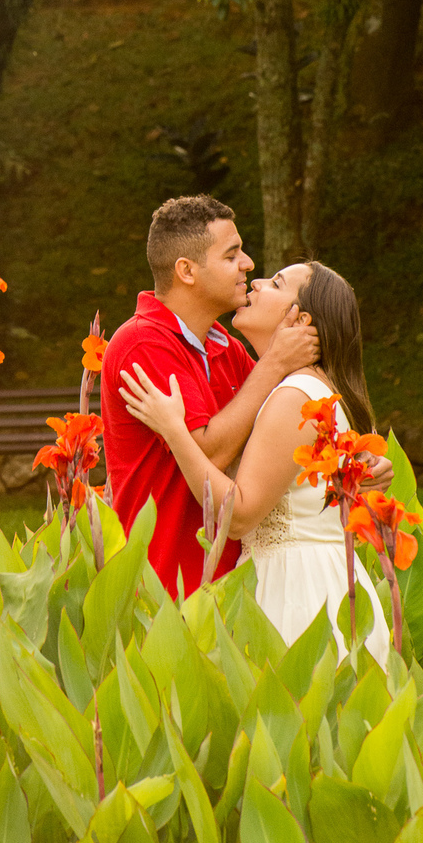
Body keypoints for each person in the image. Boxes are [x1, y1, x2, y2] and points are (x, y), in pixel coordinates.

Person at [122, 257, 391, 663]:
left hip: (297, 593)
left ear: (299, 320)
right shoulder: (300, 387)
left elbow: (240, 515)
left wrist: (175, 431)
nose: (256, 281)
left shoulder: (295, 396)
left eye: (276, 283)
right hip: (317, 580)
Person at [100, 195, 324, 597]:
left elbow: (283, 425)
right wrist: (274, 363)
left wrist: (355, 461)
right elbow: (211, 454)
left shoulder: (225, 346)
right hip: (165, 589)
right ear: (186, 271)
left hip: (230, 586)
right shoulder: (142, 343)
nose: (248, 264)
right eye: (231, 255)